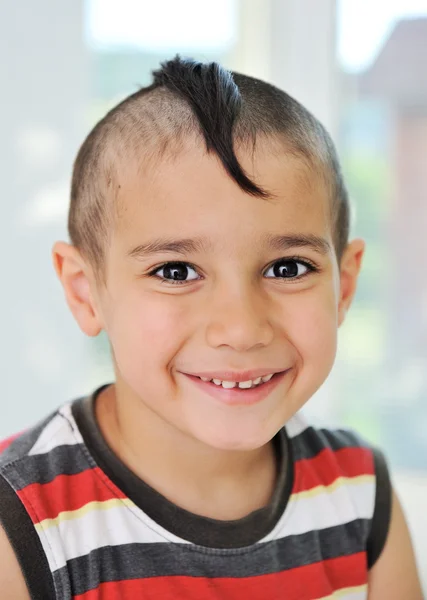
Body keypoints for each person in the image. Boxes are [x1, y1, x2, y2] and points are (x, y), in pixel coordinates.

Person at [0, 56, 422, 600]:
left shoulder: (362, 494)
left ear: (342, 286)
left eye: (287, 268)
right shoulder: (21, 525)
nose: (241, 329)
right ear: (86, 292)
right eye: (175, 272)